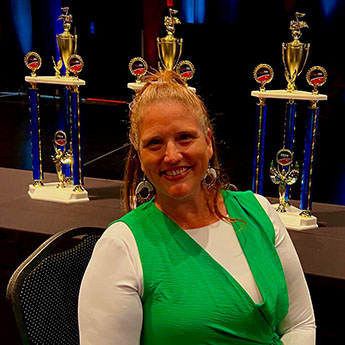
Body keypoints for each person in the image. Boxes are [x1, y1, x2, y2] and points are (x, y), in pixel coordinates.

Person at [78, 70, 316, 345]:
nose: (172, 155)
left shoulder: (260, 212)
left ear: (209, 142)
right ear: (140, 157)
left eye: (185, 138)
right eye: (154, 143)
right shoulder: (121, 247)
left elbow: (300, 323)